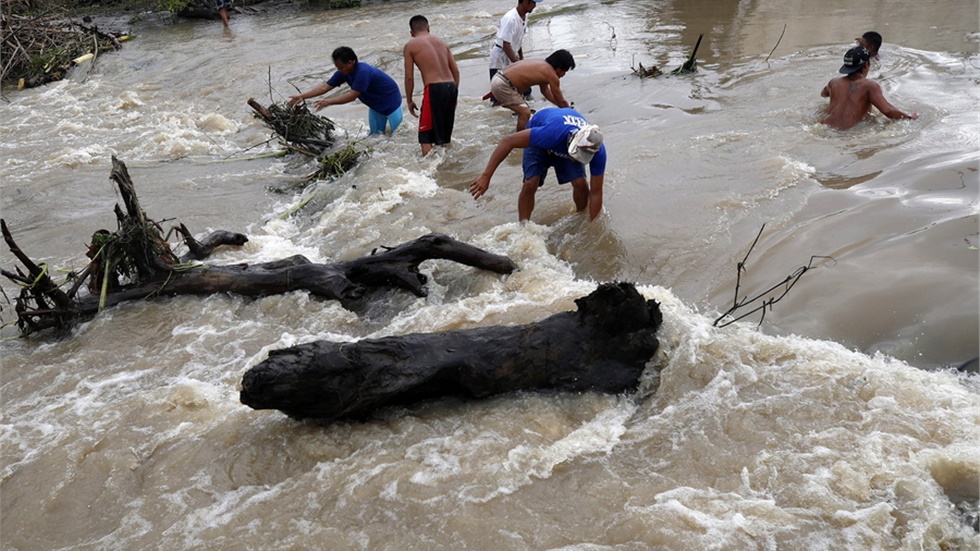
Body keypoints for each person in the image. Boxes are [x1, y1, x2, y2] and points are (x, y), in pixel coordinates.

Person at [470, 107, 606, 222]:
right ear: (573, 142)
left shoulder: (598, 151)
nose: (576, 159)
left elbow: (596, 192)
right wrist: (486, 176)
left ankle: (579, 218)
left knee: (580, 184)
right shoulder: (551, 133)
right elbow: (507, 141)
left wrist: (592, 227)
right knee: (531, 183)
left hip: (561, 139)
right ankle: (524, 227)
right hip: (543, 135)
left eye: (582, 157)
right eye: (576, 154)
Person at [288, 47, 403, 136]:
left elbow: (352, 96)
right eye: (337, 68)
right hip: (375, 105)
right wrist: (302, 96)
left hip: (391, 102)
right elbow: (325, 87)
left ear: (351, 62)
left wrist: (328, 102)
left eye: (341, 67)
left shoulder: (363, 72)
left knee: (399, 134)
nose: (340, 70)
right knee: (375, 136)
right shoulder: (344, 72)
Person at [820, 46, 917, 131]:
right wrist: (909, 117)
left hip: (824, 127)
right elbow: (887, 110)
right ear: (866, 65)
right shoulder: (870, 85)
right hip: (849, 132)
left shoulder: (834, 82)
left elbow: (823, 94)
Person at [403, 15, 460, 156]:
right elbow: (456, 71)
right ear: (428, 28)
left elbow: (409, 77)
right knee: (443, 137)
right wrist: (454, 93)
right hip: (451, 87)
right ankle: (446, 166)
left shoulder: (410, 45)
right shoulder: (442, 43)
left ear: (411, 33)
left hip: (434, 89)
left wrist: (409, 100)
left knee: (425, 136)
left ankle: (430, 168)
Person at [490, 49, 575, 131]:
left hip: (498, 78)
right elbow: (560, 100)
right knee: (525, 113)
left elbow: (545, 91)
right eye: (565, 71)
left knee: (517, 108)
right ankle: (520, 137)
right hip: (503, 84)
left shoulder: (543, 66)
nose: (564, 75)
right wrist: (570, 113)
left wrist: (561, 106)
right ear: (559, 67)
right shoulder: (552, 76)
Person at [488, 0, 540, 103]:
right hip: (499, 59)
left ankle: (526, 104)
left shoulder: (524, 17)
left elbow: (518, 40)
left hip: (511, 54)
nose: (535, 5)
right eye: (533, 2)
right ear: (525, 2)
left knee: (523, 87)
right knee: (498, 93)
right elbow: (505, 45)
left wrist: (521, 59)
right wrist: (518, 64)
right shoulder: (510, 19)